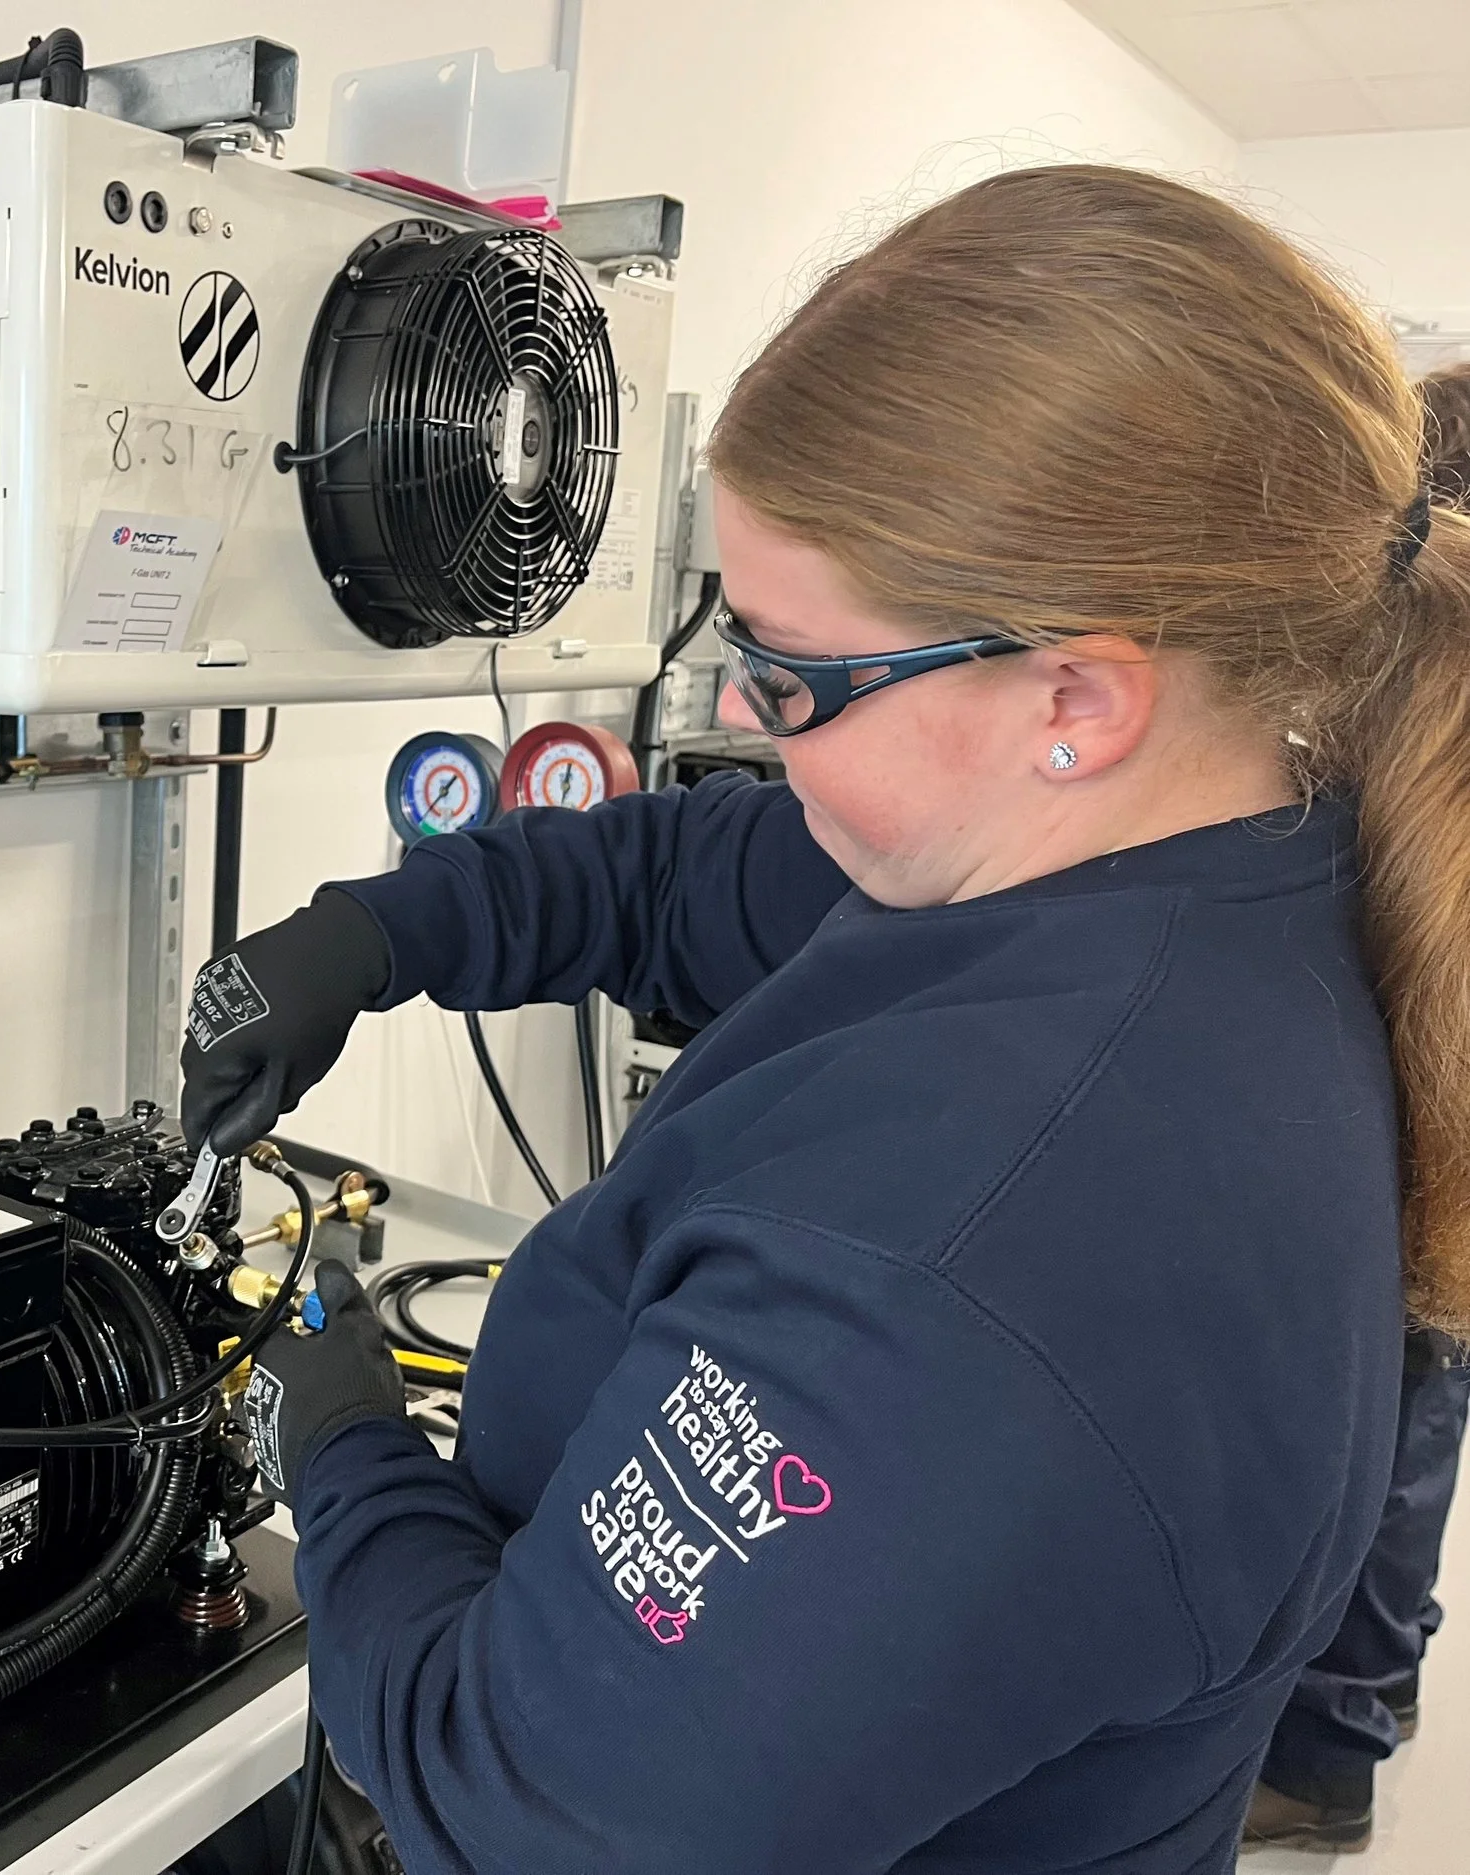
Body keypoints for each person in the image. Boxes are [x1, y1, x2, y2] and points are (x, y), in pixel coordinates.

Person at [182, 165, 1470, 1872]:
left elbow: (531, 1808)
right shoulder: (1185, 854)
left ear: (1077, 694)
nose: (737, 711)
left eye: (789, 676)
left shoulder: (984, 1265)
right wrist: (371, 934)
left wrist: (336, 1442)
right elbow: (697, 873)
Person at [1242, 362, 1470, 1852]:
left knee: (1402, 1397)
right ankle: (1356, 1703)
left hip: (1422, 1076)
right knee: (1417, 1388)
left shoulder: (1423, 652)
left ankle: (1333, 1740)